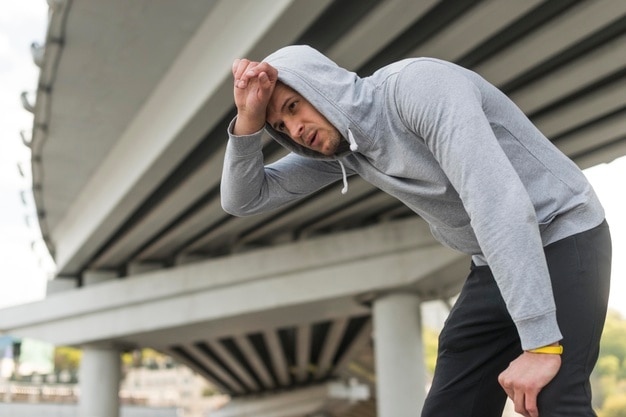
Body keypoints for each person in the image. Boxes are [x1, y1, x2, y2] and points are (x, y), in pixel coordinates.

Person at [221, 45, 611, 417]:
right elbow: (244, 199)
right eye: (281, 126)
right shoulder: (348, 149)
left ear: (323, 88)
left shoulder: (418, 88)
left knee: (554, 398)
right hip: (494, 261)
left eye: (293, 107)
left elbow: (497, 202)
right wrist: (248, 122)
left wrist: (541, 345)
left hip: (563, 234)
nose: (295, 129)